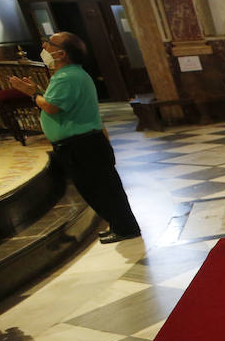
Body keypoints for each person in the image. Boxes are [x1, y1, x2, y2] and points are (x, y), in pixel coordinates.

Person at [8, 32, 141, 243]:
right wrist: (37, 92)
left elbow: (51, 107)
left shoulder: (68, 76)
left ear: (61, 53)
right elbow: (60, 104)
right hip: (83, 143)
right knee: (97, 188)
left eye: (48, 43)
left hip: (82, 145)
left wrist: (33, 93)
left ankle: (125, 228)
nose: (43, 46)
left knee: (102, 189)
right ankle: (119, 225)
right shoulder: (70, 75)